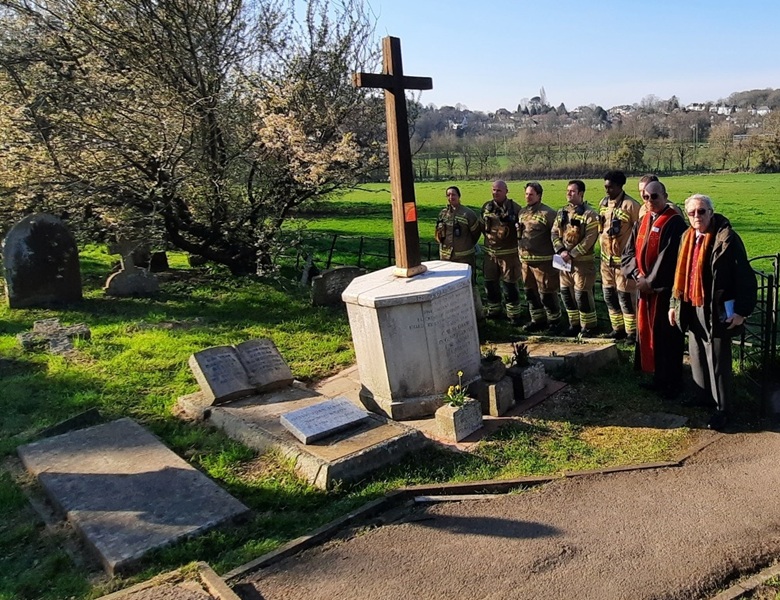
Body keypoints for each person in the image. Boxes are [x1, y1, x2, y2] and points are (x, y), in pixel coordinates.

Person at [669, 194, 757, 430]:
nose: (696, 216)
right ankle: (702, 396)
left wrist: (741, 311)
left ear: (711, 212)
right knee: (696, 351)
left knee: (717, 359)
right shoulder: (687, 237)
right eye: (691, 213)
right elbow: (680, 274)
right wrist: (673, 304)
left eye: (701, 211)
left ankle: (723, 410)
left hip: (716, 307)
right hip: (690, 303)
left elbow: (745, 277)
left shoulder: (726, 238)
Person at [622, 180, 687, 398]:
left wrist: (650, 282)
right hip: (644, 288)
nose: (650, 201)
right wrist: (637, 276)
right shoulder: (642, 220)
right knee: (648, 332)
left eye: (655, 197)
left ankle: (671, 382)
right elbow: (628, 252)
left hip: (663, 291)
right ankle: (656, 376)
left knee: (666, 336)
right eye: (646, 197)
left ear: (665, 195)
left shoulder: (675, 222)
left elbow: (668, 259)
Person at [551, 180, 600, 337]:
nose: (568, 193)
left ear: (581, 193)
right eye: (568, 190)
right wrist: (561, 250)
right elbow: (554, 233)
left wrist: (572, 254)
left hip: (582, 264)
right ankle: (574, 325)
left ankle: (589, 326)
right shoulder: (561, 213)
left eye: (572, 191)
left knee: (582, 295)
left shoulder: (589, 215)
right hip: (564, 263)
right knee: (566, 293)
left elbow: (590, 238)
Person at [599, 170, 641, 343]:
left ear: (620, 186)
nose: (607, 190)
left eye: (611, 187)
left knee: (626, 298)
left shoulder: (631, 206)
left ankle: (632, 333)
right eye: (605, 187)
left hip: (623, 263)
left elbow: (639, 233)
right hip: (605, 261)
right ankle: (617, 329)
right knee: (609, 295)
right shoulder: (603, 203)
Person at [518, 181, 561, 333]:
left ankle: (555, 322)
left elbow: (557, 235)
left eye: (531, 194)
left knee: (546, 294)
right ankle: (537, 320)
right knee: (530, 293)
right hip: (526, 262)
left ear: (539, 196)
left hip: (544, 263)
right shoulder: (522, 213)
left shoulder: (548, 214)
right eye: (526, 194)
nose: (528, 197)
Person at [480, 180, 524, 323]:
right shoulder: (486, 207)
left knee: (509, 285)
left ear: (506, 191)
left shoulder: (515, 208)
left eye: (499, 190)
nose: (495, 193)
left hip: (508, 255)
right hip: (490, 255)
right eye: (493, 190)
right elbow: (481, 227)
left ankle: (513, 315)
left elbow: (522, 231)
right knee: (490, 284)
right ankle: (494, 311)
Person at [435, 186, 483, 316]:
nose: (451, 197)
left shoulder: (468, 214)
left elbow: (476, 233)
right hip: (446, 258)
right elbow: (438, 234)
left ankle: (476, 314)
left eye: (454, 194)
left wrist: (466, 245)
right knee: (448, 285)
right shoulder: (443, 214)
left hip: (464, 257)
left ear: (459, 196)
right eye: (448, 195)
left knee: (470, 284)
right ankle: (452, 313)